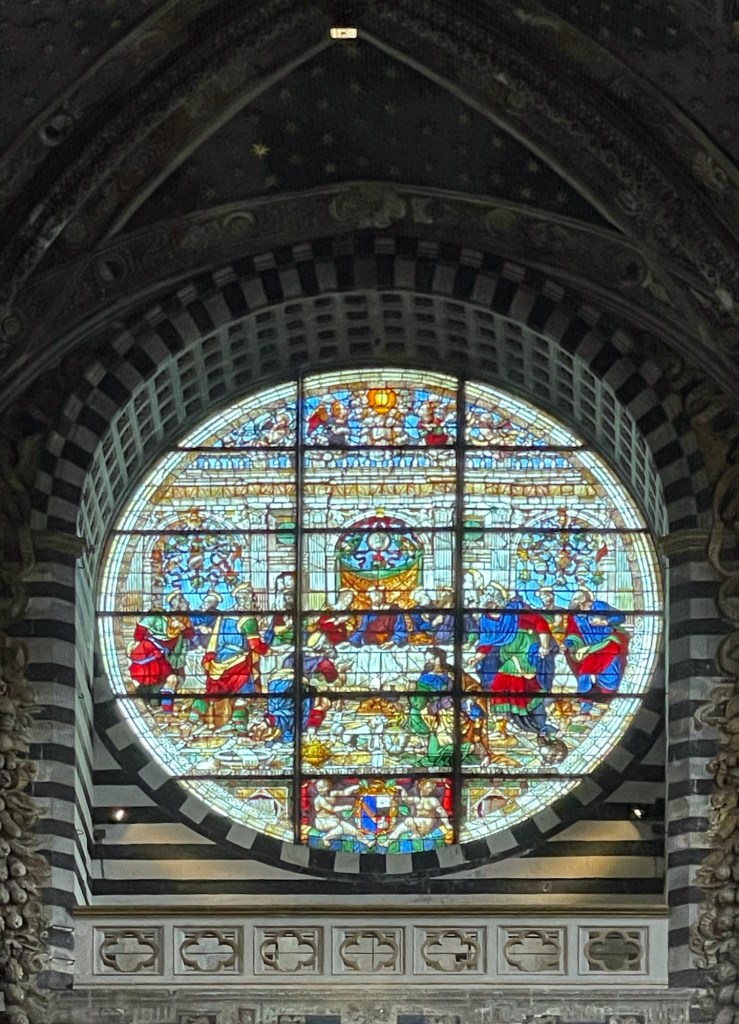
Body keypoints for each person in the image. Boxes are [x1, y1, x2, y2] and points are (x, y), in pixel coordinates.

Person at [563, 590, 629, 711]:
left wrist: (605, 621)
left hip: (608, 643)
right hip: (590, 649)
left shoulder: (600, 606)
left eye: (588, 604)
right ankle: (585, 704)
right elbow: (572, 633)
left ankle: (607, 697)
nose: (586, 607)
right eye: (582, 605)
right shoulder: (575, 617)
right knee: (585, 671)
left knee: (610, 679)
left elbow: (620, 617)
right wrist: (568, 643)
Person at [128, 593, 195, 703]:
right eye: (183, 602)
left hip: (173, 654)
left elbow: (190, 634)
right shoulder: (158, 616)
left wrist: (182, 627)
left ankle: (159, 703)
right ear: (175, 605)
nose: (187, 604)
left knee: (173, 679)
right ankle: (154, 702)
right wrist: (137, 644)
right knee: (156, 678)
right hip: (153, 652)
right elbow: (141, 628)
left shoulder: (184, 619)